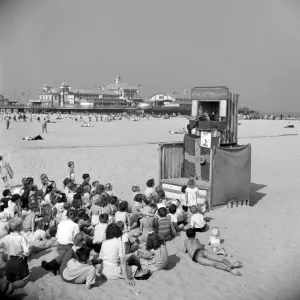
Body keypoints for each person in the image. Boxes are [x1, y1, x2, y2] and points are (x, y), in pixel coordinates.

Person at [0, 218, 30, 290]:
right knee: (25, 280)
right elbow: (27, 252)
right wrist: (25, 254)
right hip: (20, 262)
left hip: (9, 261)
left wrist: (4, 252)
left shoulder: (5, 238)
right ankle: (13, 286)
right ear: (20, 227)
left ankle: (5, 284)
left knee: (8, 278)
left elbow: (1, 248)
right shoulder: (22, 238)